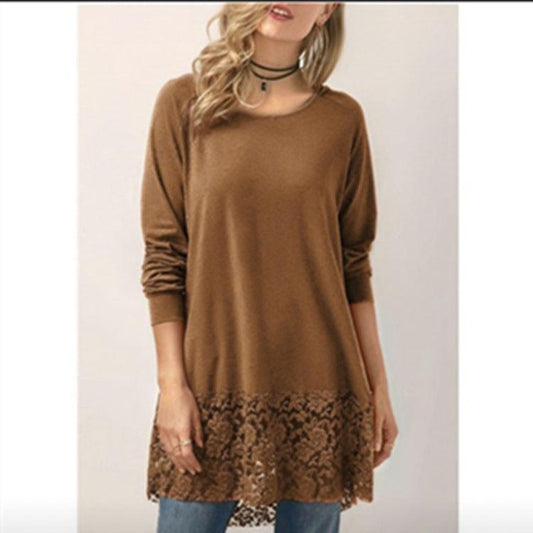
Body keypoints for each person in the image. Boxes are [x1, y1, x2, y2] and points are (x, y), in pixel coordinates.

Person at [139, 3, 399, 532]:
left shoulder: (341, 120)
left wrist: (379, 389)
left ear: (326, 10)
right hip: (213, 383)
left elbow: (353, 264)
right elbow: (165, 256)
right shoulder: (185, 103)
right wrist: (172, 386)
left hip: (323, 388)